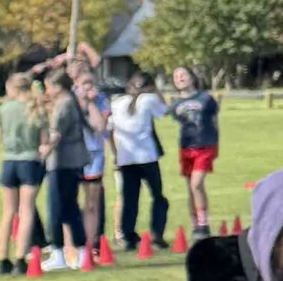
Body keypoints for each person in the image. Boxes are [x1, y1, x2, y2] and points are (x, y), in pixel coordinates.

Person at [39, 66, 89, 268]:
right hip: (72, 162)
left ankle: (58, 252)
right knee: (70, 208)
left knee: (56, 208)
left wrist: (45, 150)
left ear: (58, 87)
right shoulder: (70, 102)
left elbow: (56, 134)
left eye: (49, 87)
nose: (47, 91)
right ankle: (81, 252)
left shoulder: (64, 104)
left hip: (61, 162)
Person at [112, 68, 167, 248]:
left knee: (130, 199)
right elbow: (163, 111)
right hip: (147, 157)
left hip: (126, 157)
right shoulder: (148, 100)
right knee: (158, 197)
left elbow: (110, 127)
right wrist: (156, 91)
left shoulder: (117, 102)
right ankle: (156, 233)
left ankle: (128, 236)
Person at [0, 69, 42, 271]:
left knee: (7, 212)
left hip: (8, 160)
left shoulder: (4, 108)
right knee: (26, 211)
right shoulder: (33, 108)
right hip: (29, 160)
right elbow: (43, 138)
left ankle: (2, 259)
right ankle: (21, 257)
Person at [168, 63, 220, 233]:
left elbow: (214, 122)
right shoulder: (175, 105)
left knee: (197, 184)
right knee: (190, 187)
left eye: (183, 75)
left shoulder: (205, 98)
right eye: (176, 77)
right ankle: (194, 224)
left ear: (191, 77)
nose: (180, 79)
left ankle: (203, 224)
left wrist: (215, 145)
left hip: (205, 146)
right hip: (186, 147)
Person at [74, 71, 110, 251]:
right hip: (73, 156)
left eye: (90, 82)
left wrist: (90, 103)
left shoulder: (101, 99)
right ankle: (72, 244)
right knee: (71, 202)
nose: (87, 86)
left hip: (94, 155)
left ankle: (91, 243)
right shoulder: (69, 100)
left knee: (91, 203)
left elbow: (101, 126)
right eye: (84, 82)